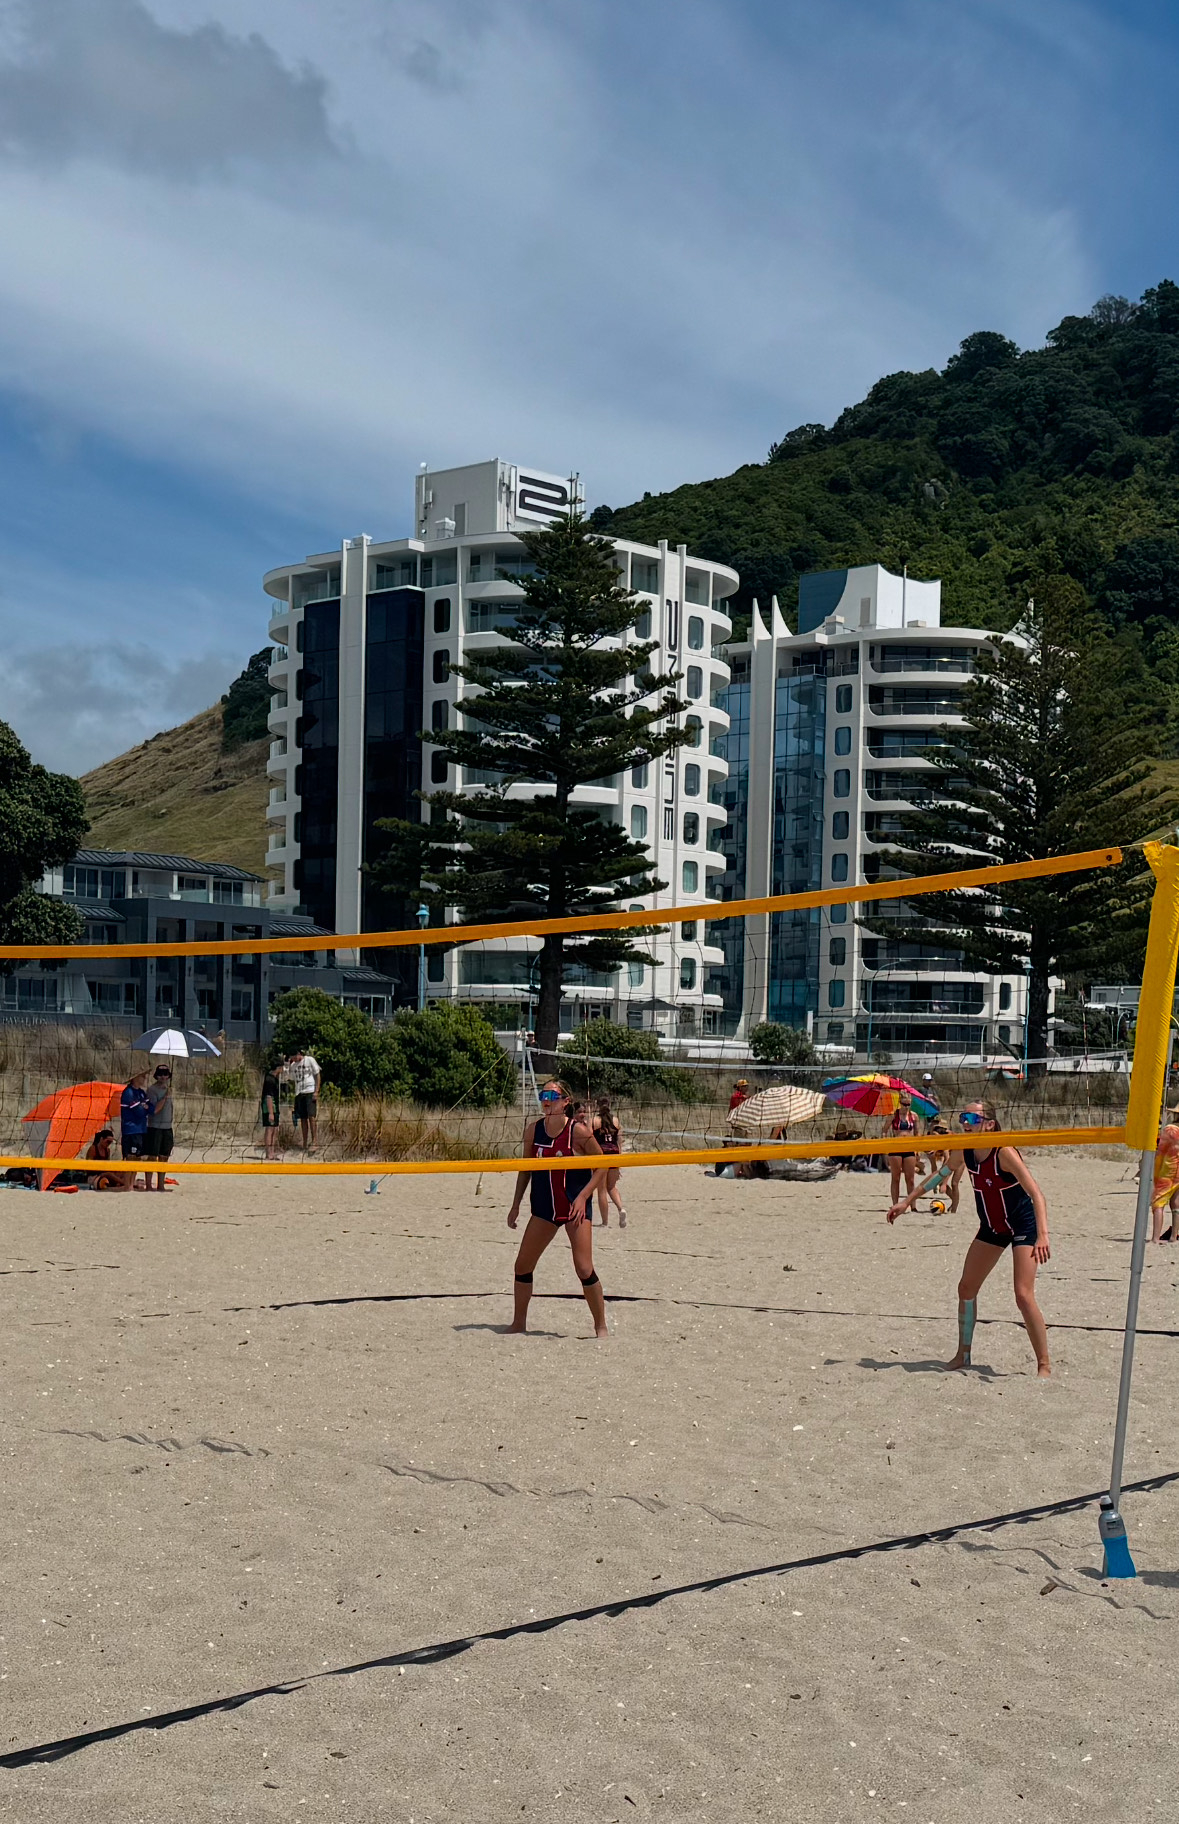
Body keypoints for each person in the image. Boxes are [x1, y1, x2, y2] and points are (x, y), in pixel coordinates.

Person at [888, 1099, 1052, 1377]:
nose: (965, 1123)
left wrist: (1043, 1236)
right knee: (966, 1289)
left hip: (1023, 1225)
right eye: (963, 1117)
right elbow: (939, 1175)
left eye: (972, 1119)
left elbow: (1036, 1194)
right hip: (992, 1227)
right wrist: (907, 1201)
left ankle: (1044, 1365)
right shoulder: (964, 1149)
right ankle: (963, 1354)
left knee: (1023, 1295)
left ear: (989, 1124)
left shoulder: (1004, 1152)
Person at [506, 1079, 609, 1338]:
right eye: (543, 1095)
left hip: (574, 1207)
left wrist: (583, 1196)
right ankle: (518, 1324)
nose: (546, 1100)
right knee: (522, 1266)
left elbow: (603, 1165)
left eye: (552, 1096)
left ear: (565, 1102)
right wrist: (515, 1205)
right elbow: (525, 1170)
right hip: (544, 1209)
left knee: (584, 1268)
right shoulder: (533, 1130)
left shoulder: (578, 1131)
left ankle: (601, 1327)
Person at [592, 1096, 626, 1227]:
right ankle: (621, 1208)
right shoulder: (616, 1120)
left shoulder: (595, 1120)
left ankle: (605, 1222)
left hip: (601, 1155)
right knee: (611, 1187)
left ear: (597, 1105)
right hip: (614, 1155)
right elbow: (619, 1141)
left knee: (601, 1190)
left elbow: (589, 1139)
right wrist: (619, 1161)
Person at [282, 1048, 321, 1152]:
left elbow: (317, 1074)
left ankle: (314, 1141)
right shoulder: (293, 1066)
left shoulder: (309, 1060)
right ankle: (305, 1142)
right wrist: (287, 1065)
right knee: (303, 1118)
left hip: (309, 1090)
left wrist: (316, 1091)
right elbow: (288, 1077)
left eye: (294, 1057)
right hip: (299, 1092)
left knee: (311, 1116)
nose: (294, 1059)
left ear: (299, 1054)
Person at [144, 1065, 174, 1192]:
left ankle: (160, 1185)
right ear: (156, 1076)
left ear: (168, 1076)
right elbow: (155, 1110)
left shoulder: (169, 1089)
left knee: (164, 1157)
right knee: (152, 1157)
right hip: (155, 1127)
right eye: (160, 1074)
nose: (163, 1076)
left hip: (167, 1127)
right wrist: (166, 1096)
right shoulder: (152, 1090)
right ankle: (149, 1185)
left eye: (165, 1074)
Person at [887, 1091, 920, 1205]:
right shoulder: (893, 1115)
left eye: (908, 1104)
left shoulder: (914, 1116)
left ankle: (913, 1205)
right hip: (896, 1147)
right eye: (904, 1104)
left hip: (909, 1147)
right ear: (900, 1103)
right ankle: (895, 1204)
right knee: (896, 1178)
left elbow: (917, 1134)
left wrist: (918, 1150)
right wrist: (885, 1145)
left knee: (910, 1179)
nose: (906, 1107)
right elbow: (884, 1130)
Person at [120, 1070, 150, 1190]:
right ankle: (127, 1186)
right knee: (130, 1158)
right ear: (135, 1078)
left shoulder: (141, 1092)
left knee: (137, 1158)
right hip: (130, 1130)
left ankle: (131, 1184)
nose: (144, 1078)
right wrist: (144, 1108)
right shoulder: (129, 1092)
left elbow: (149, 1108)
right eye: (142, 1076)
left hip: (141, 1129)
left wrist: (145, 1108)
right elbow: (140, 1112)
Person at [1151, 1112, 1179, 1243]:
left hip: (1169, 1170)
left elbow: (1160, 1151)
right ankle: (1174, 1235)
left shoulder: (1171, 1130)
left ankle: (1155, 1238)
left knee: (1158, 1202)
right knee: (1176, 1202)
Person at [259, 1067, 282, 1160]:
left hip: (275, 1107)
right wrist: (271, 1113)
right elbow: (268, 1097)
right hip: (269, 1107)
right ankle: (268, 1153)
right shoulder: (269, 1079)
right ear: (278, 1068)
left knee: (274, 1129)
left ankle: (272, 1152)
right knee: (270, 1129)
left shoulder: (275, 1079)